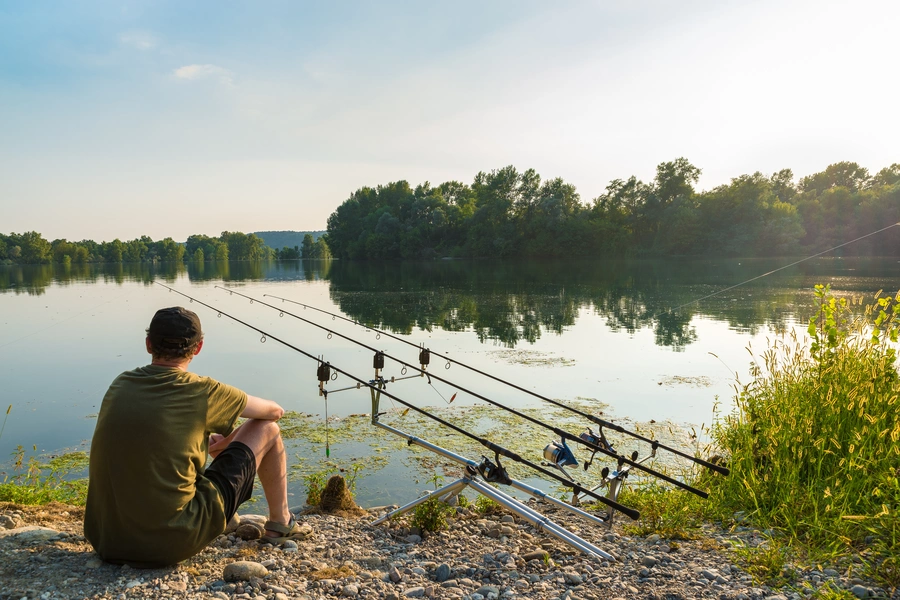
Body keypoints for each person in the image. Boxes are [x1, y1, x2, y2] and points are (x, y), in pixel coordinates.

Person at [84, 306, 304, 567]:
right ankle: (281, 523)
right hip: (171, 542)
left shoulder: (120, 384)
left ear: (148, 344)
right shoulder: (203, 391)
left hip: (106, 540)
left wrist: (213, 441)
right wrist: (223, 444)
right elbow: (274, 412)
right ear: (198, 347)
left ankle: (240, 518)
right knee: (268, 429)